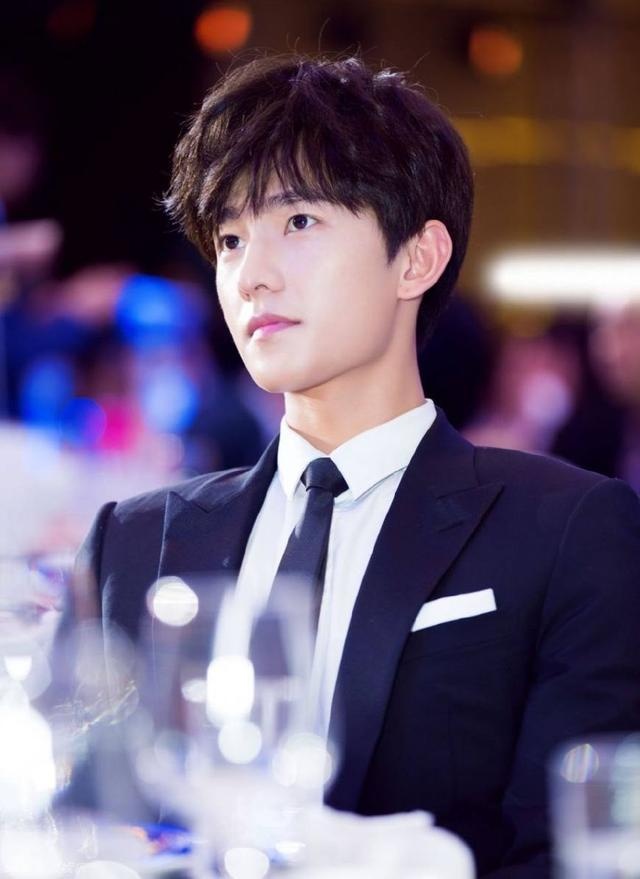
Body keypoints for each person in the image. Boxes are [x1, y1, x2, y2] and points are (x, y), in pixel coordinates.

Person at [77, 55, 640, 877]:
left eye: (299, 221)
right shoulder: (134, 542)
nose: (251, 274)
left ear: (417, 258)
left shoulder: (565, 530)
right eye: (230, 238)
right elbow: (87, 828)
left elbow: (575, 850)